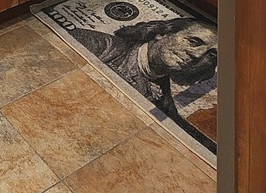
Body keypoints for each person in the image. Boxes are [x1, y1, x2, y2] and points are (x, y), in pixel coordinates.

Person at [71, 17, 217, 118]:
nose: (198, 55)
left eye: (211, 56)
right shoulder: (98, 45)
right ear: (162, 33)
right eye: (194, 42)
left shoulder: (163, 96)